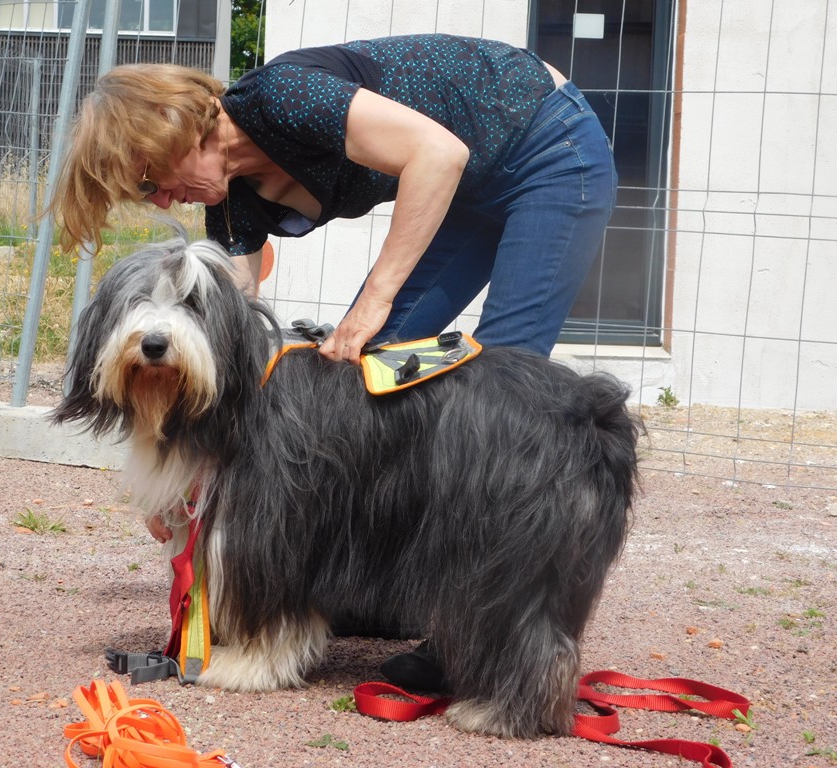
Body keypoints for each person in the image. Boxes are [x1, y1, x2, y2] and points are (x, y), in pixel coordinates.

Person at [51, 33, 617, 690]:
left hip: (547, 148)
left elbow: (438, 152)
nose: (159, 200)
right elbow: (240, 362)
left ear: (176, 130)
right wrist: (185, 478)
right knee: (370, 395)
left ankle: (485, 637)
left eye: (150, 178)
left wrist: (374, 300)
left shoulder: (281, 97)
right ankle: (371, 585)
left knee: (499, 408)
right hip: (473, 184)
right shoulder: (231, 205)